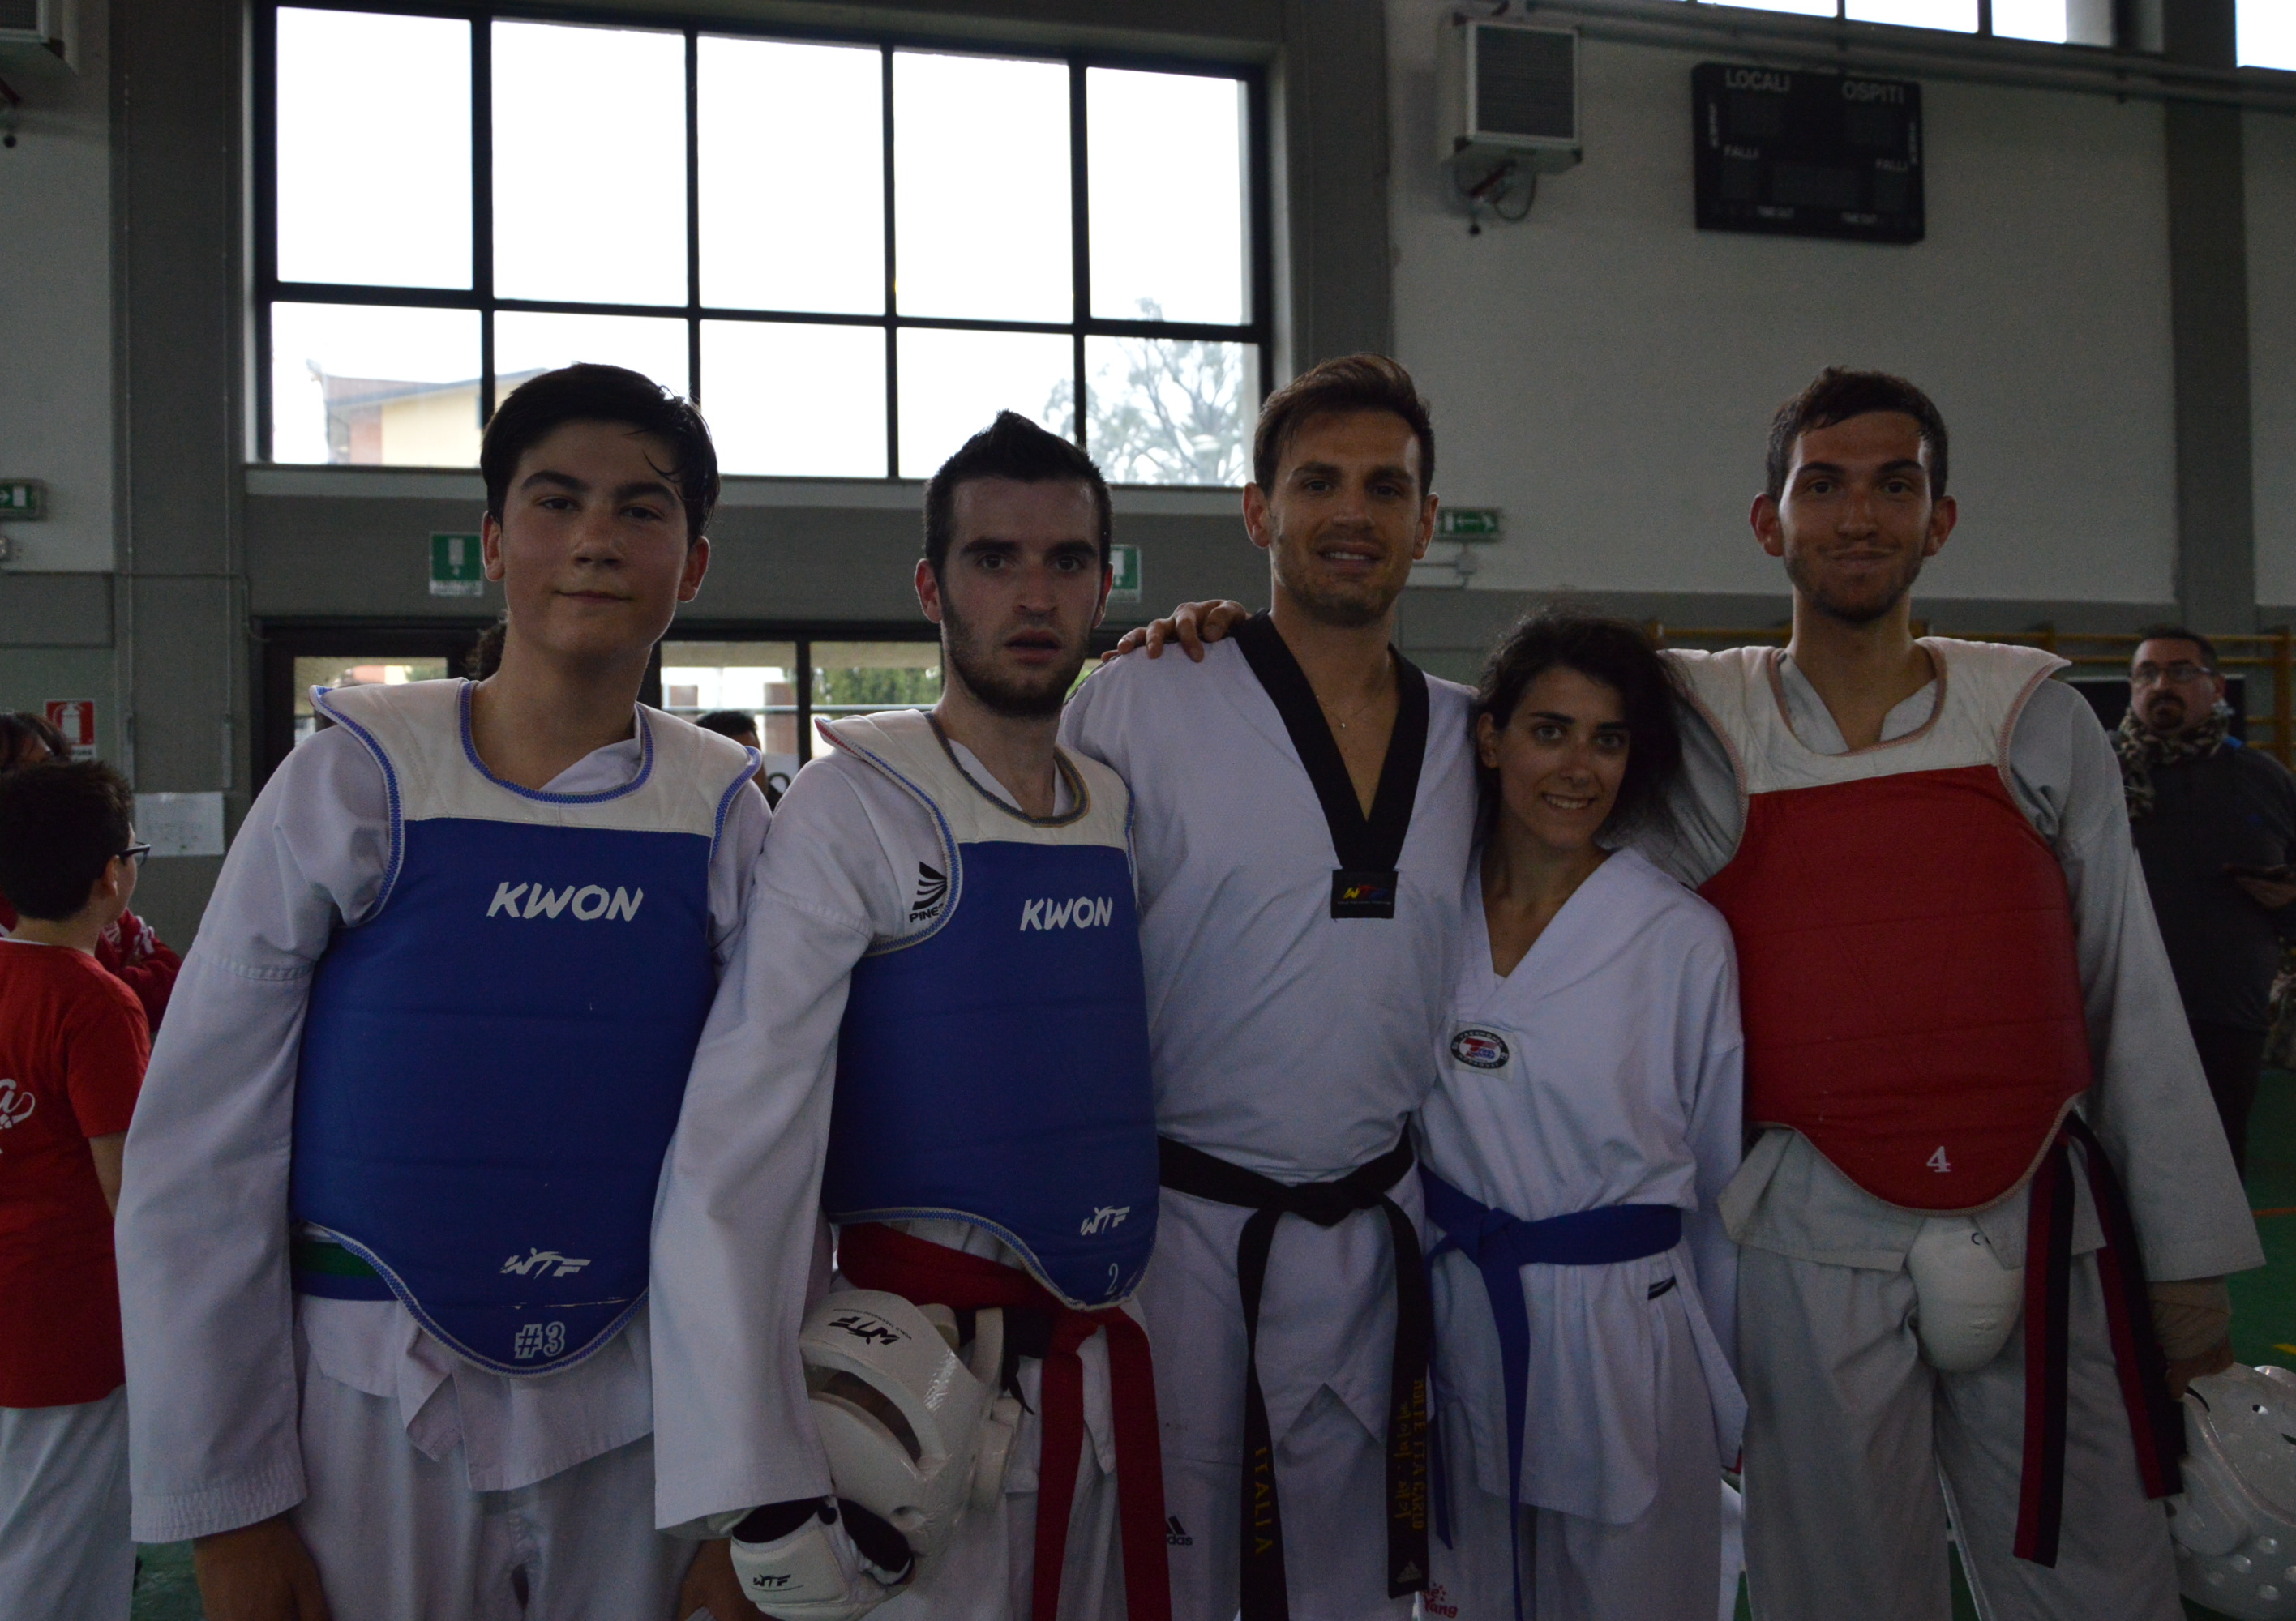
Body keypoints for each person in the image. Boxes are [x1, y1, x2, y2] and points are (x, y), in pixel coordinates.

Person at [1113, 366, 2263, 1620]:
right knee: (1829, 1589)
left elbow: (2127, 993)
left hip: (2020, 1204)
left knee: (2095, 1583)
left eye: (1894, 487)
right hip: (1766, 1228)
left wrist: (2185, 1272)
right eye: (1823, 487)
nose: (1858, 517)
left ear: (1942, 518)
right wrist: (1212, 640)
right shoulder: (1703, 722)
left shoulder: (2029, 717)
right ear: (1769, 522)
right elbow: (1541, 720)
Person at [115, 363, 768, 1620]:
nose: (594, 539)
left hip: (645, 1403)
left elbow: (769, 1167)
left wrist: (747, 1504)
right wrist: (229, 1505)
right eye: (556, 502)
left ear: (691, 564)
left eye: (640, 510)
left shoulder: (728, 813)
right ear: (493, 543)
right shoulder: (353, 782)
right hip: (367, 1398)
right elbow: (202, 1146)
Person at [653, 412, 1166, 1621]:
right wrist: (753, 1486)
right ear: (932, 588)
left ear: (1103, 587)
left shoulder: (1115, 807)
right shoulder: (855, 805)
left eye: (1067, 561)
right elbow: (742, 1141)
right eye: (994, 559)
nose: (1033, 595)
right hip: (906, 1403)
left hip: (1101, 1371)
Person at [1060, 355, 1478, 1621]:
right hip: (1188, 1239)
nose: (1354, 512)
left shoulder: (1474, 735)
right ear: (1258, 511)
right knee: (1178, 1577)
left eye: (1386, 488)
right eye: (1318, 483)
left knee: (1359, 1580)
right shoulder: (1141, 699)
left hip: (1382, 1233)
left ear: (1428, 522)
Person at [1416, 611, 1743, 1621]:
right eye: (1548, 730)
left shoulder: (1678, 936)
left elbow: (1718, 1179)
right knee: (1466, 1592)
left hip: (1622, 1327)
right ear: (1489, 738)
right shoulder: (1425, 907)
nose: (1576, 766)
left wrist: (1732, 1376)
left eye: (1606, 739)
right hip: (1459, 1309)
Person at [0, 760, 152, 1620]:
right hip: (60, 1324)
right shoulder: (97, 1003)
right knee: (60, 1566)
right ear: (111, 876)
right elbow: (130, 1194)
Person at [2115, 626, 2296, 1175]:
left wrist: (2288, 898)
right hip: (2118, 1011)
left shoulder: (2263, 779)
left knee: (2217, 1171)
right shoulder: (2095, 775)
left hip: (2228, 1015)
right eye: (2147, 673)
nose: (2161, 685)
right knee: (2122, 1169)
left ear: (2216, 687)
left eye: (2180, 672)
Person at [0, 711, 179, 1031]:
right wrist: (121, 974)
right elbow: (84, 1005)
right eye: (15, 771)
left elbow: (173, 982)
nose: (45, 782)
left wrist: (112, 977)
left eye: (51, 764)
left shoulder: (66, 863)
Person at [696, 708, 783, 809]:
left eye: (753, 762)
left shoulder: (787, 811)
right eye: (732, 767)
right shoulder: (686, 813)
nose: (747, 777)